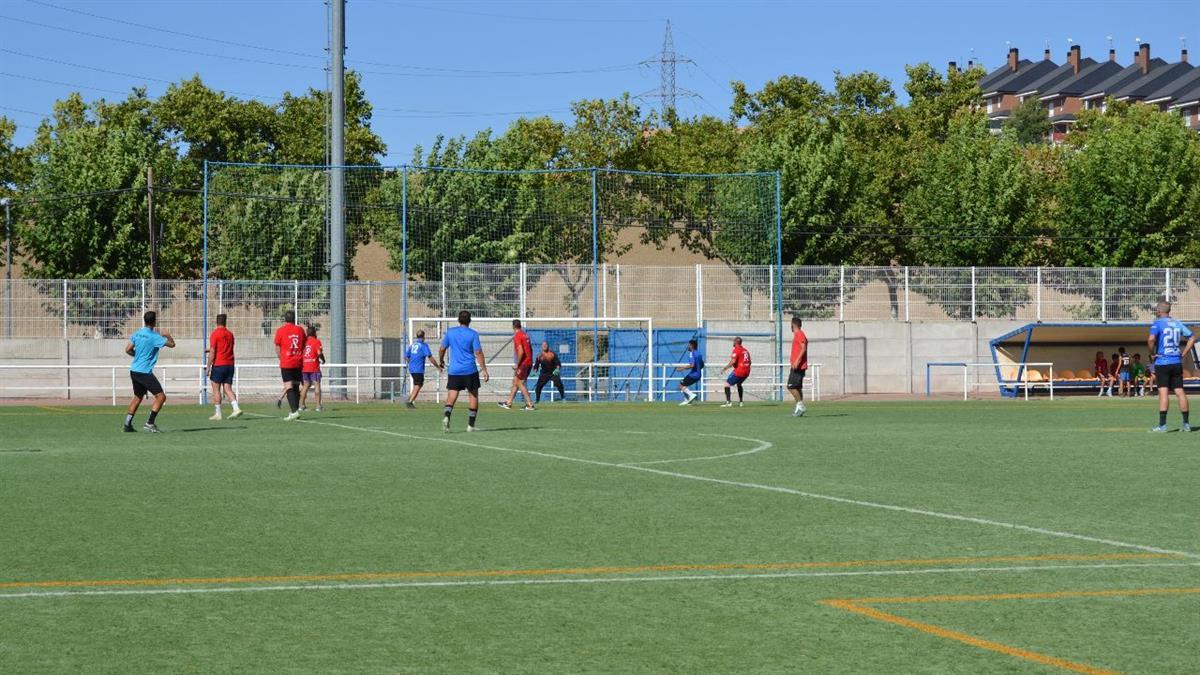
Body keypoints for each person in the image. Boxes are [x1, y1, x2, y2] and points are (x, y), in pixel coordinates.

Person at [123, 311, 175, 433]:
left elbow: (127, 350)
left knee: (137, 397)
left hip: (134, 370)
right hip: (144, 372)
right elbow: (172, 345)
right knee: (161, 397)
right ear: (154, 321)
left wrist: (137, 356)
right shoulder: (155, 337)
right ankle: (150, 423)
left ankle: (127, 424)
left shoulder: (138, 333)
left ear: (144, 320)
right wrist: (167, 335)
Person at [438, 310, 489, 432]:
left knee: (452, 396)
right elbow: (478, 352)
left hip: (454, 370)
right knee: (473, 396)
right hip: (470, 370)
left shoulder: (450, 333)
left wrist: (441, 360)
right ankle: (470, 426)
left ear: (458, 320)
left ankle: (446, 417)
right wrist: (484, 369)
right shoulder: (473, 334)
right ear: (470, 320)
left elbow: (442, 348)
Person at [1148, 301, 1196, 432]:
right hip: (1176, 362)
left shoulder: (1157, 323)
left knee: (1163, 392)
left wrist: (1152, 354)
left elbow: (1151, 339)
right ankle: (1186, 425)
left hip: (1163, 362)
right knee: (1179, 391)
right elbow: (1192, 337)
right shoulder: (1177, 323)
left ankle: (1162, 426)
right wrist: (1184, 353)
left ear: (1158, 311)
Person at [206, 313, 242, 421]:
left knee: (216, 388)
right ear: (225, 322)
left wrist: (208, 366)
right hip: (230, 364)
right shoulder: (230, 334)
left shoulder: (215, 334)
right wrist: (210, 350)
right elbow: (226, 348)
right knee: (227, 388)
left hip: (219, 364)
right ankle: (236, 408)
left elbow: (213, 351)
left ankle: (218, 413)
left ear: (216, 322)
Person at [273, 309, 306, 421]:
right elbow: (304, 344)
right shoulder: (300, 330)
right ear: (294, 318)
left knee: (288, 386)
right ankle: (295, 410)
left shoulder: (280, 331)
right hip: (298, 362)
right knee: (296, 385)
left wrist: (281, 358)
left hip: (287, 362)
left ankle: (294, 411)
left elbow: (277, 347)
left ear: (285, 319)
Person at [499, 319, 535, 411]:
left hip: (524, 363)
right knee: (515, 381)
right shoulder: (525, 335)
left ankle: (530, 404)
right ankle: (509, 403)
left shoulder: (517, 336)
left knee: (520, 383)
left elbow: (521, 351)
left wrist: (517, 364)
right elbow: (530, 349)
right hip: (528, 362)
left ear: (513, 327)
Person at [404, 330, 441, 409]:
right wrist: (437, 366)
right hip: (418, 369)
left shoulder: (413, 345)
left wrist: (411, 362)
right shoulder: (423, 345)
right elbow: (430, 357)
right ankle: (410, 402)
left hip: (412, 368)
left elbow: (406, 356)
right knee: (418, 385)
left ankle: (409, 399)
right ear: (424, 336)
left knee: (417, 384)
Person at [719, 337, 752, 408]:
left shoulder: (736, 350)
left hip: (740, 371)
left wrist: (725, 368)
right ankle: (741, 402)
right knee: (739, 384)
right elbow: (750, 362)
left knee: (726, 384)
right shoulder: (746, 350)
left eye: (733, 341)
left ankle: (728, 402)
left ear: (735, 342)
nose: (733, 343)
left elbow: (733, 361)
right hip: (747, 371)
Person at [300, 325, 325, 412]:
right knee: (317, 385)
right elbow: (319, 352)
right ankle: (318, 406)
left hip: (304, 367)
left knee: (305, 386)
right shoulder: (316, 341)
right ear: (314, 333)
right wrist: (323, 359)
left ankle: (302, 405)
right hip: (314, 367)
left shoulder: (304, 342)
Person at [788, 317, 808, 417]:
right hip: (798, 366)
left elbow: (803, 348)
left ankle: (801, 405)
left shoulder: (799, 334)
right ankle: (798, 409)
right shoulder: (798, 334)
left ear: (792, 325)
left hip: (798, 366)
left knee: (791, 386)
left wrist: (797, 361)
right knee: (798, 388)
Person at [675, 339, 704, 406]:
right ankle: (687, 400)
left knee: (681, 385)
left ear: (692, 346)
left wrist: (682, 368)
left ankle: (691, 395)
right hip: (698, 374)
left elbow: (692, 365)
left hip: (694, 374)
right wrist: (698, 369)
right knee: (683, 384)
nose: (688, 346)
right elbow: (702, 364)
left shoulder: (692, 353)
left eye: (689, 345)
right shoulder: (699, 353)